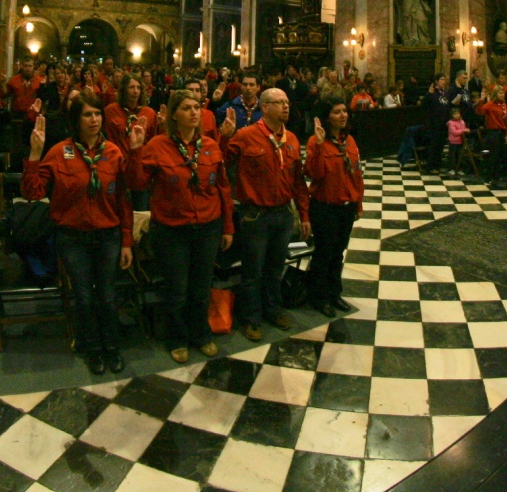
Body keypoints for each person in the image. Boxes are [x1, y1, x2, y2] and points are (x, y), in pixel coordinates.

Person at [22, 100, 133, 374]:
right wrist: (35, 154)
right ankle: (92, 349)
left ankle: (112, 348)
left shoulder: (113, 152)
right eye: (87, 115)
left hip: (107, 235)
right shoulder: (60, 152)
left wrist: (126, 241)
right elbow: (32, 192)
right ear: (76, 120)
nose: (94, 120)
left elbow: (123, 200)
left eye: (97, 114)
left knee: (107, 296)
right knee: (83, 297)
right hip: (73, 238)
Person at [125, 90, 233, 363]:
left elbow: (222, 187)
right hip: (172, 230)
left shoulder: (210, 145)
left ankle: (201, 333)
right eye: (187, 108)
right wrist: (136, 151)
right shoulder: (157, 145)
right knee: (176, 289)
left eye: (197, 107)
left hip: (207, 226)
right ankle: (176, 338)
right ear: (174, 114)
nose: (194, 112)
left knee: (201, 287)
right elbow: (138, 184)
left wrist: (228, 226)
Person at [225, 87, 309, 341]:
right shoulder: (245, 136)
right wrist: (223, 137)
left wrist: (304, 215)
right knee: (253, 272)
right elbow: (222, 164)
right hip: (255, 216)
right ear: (265, 107)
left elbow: (298, 181)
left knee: (275, 268)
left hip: (283, 214)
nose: (286, 106)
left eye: (287, 102)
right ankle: (251, 318)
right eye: (279, 102)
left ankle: (273, 309)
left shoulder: (291, 139)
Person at [306, 98, 363, 316]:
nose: (343, 115)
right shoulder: (316, 141)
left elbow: (356, 174)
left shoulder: (350, 140)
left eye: (344, 111)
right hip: (325, 207)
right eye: (337, 112)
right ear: (327, 117)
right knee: (324, 253)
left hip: (346, 206)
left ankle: (334, 293)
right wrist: (321, 146)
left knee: (338, 253)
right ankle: (319, 297)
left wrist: (358, 204)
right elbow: (314, 173)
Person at [104, 73, 158, 213]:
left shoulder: (149, 113)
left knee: (139, 211)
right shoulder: (111, 111)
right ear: (124, 90)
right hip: (116, 167)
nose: (135, 91)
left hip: (139, 167)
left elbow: (152, 141)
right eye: (131, 87)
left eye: (138, 88)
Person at [475, 87, 507, 184]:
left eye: (503, 93)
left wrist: (506, 134)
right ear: (495, 94)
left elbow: (505, 121)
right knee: (493, 155)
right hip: (493, 132)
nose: (502, 95)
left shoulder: (504, 105)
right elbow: (479, 112)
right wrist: (481, 100)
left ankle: (497, 176)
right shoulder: (490, 104)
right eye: (500, 93)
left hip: (501, 131)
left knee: (500, 155)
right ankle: (489, 176)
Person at [446, 107, 469, 174]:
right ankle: (450, 168)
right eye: (455, 114)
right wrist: (463, 130)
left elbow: (464, 129)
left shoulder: (462, 121)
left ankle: (458, 168)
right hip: (453, 141)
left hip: (461, 141)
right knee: (452, 156)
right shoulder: (451, 123)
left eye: (458, 113)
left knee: (459, 156)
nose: (457, 115)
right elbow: (454, 132)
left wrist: (467, 130)